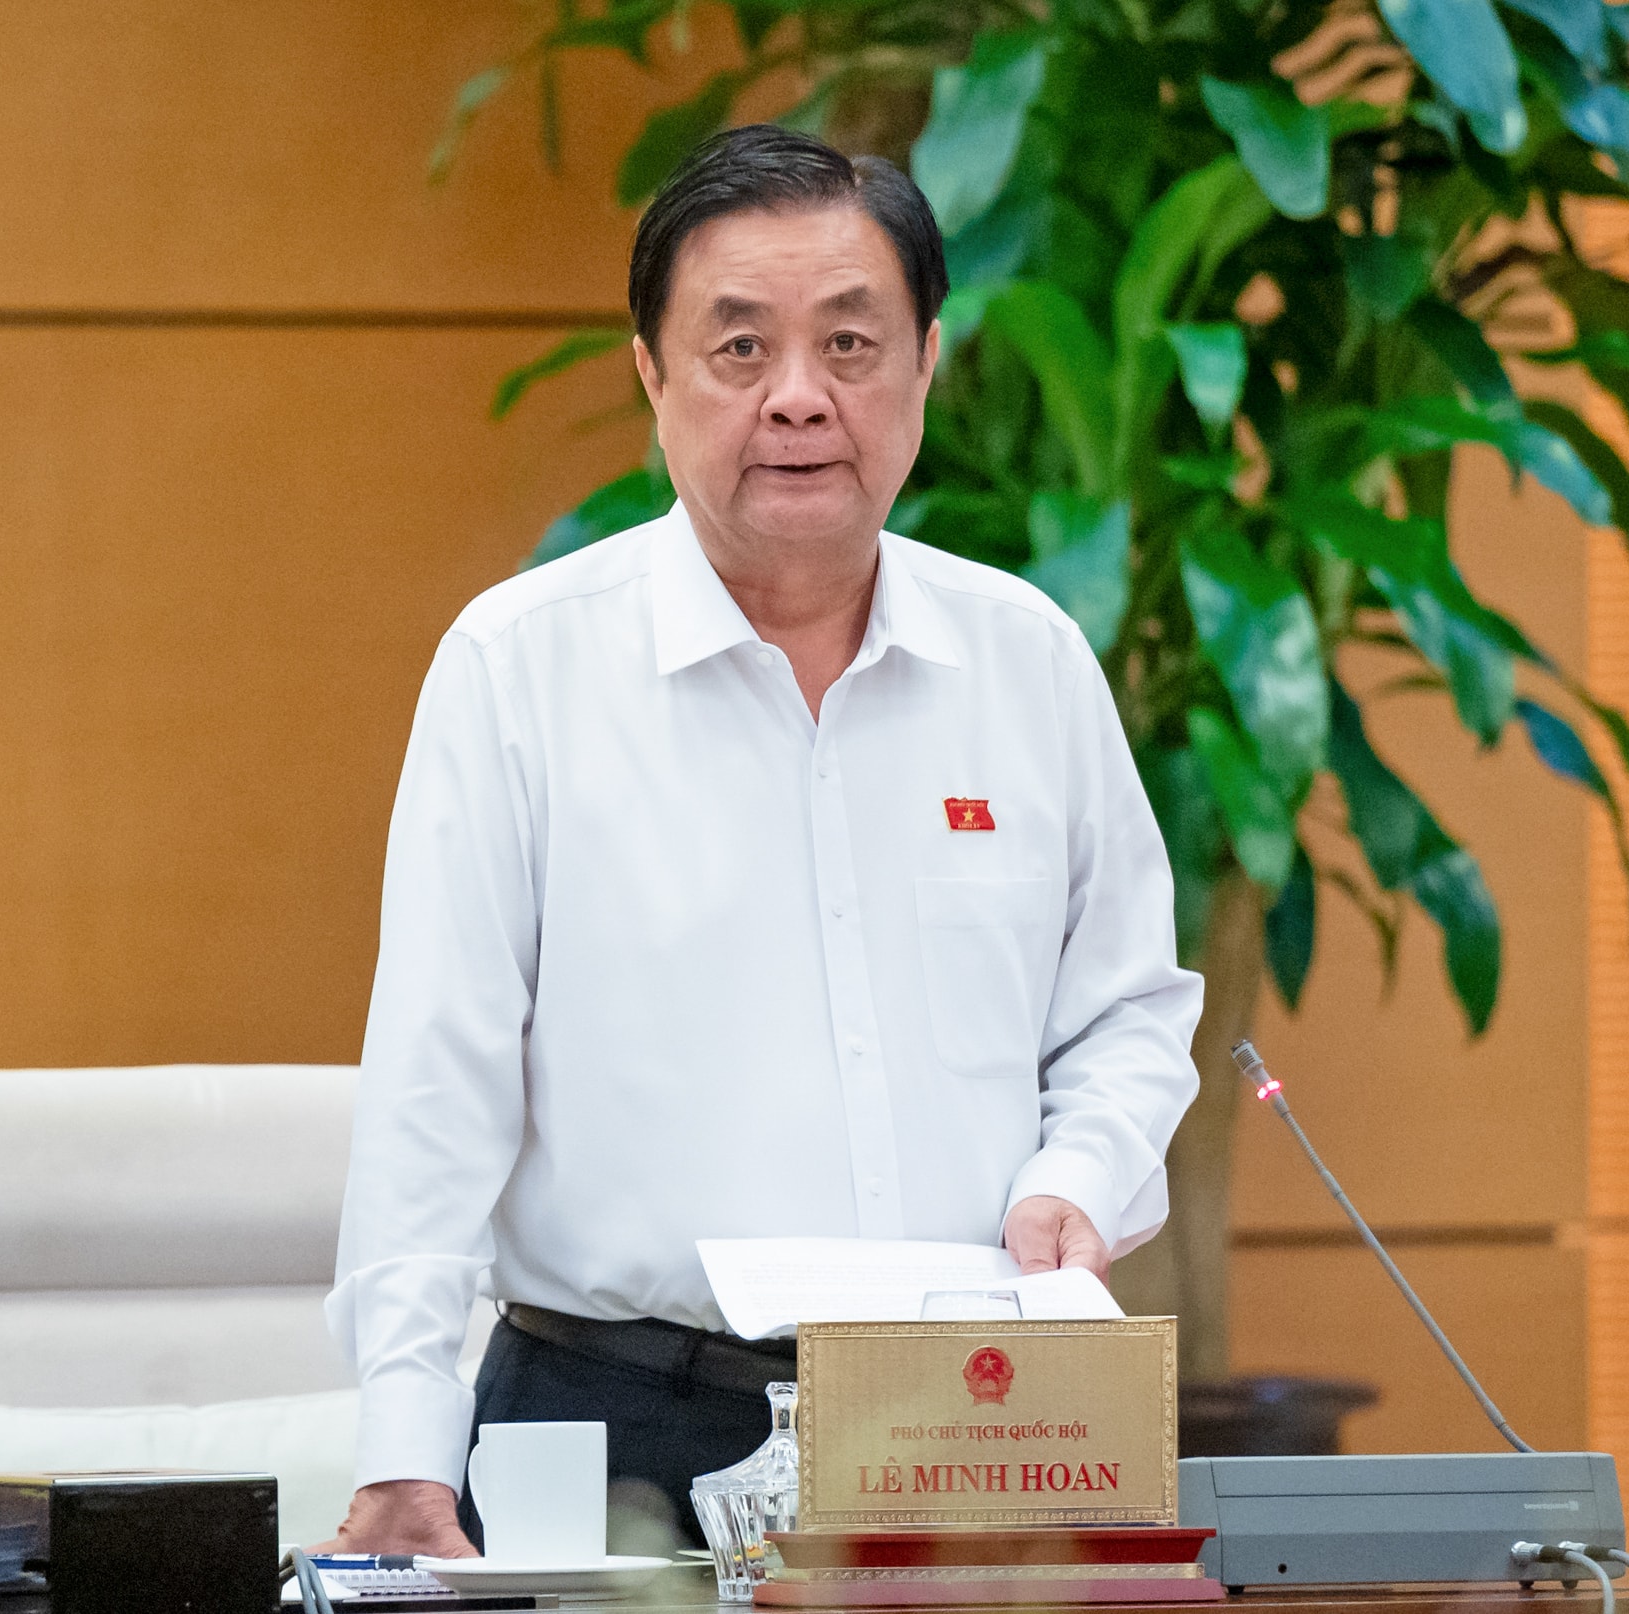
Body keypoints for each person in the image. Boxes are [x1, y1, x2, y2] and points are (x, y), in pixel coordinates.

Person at [322, 124, 1202, 1558]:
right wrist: (405, 1449)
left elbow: (1128, 1011)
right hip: (616, 1425)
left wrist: (1077, 1179)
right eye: (740, 349)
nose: (800, 397)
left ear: (927, 363)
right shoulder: (521, 667)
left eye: (851, 345)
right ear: (652, 374)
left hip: (971, 1425)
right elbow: (436, 1087)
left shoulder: (1027, 660)